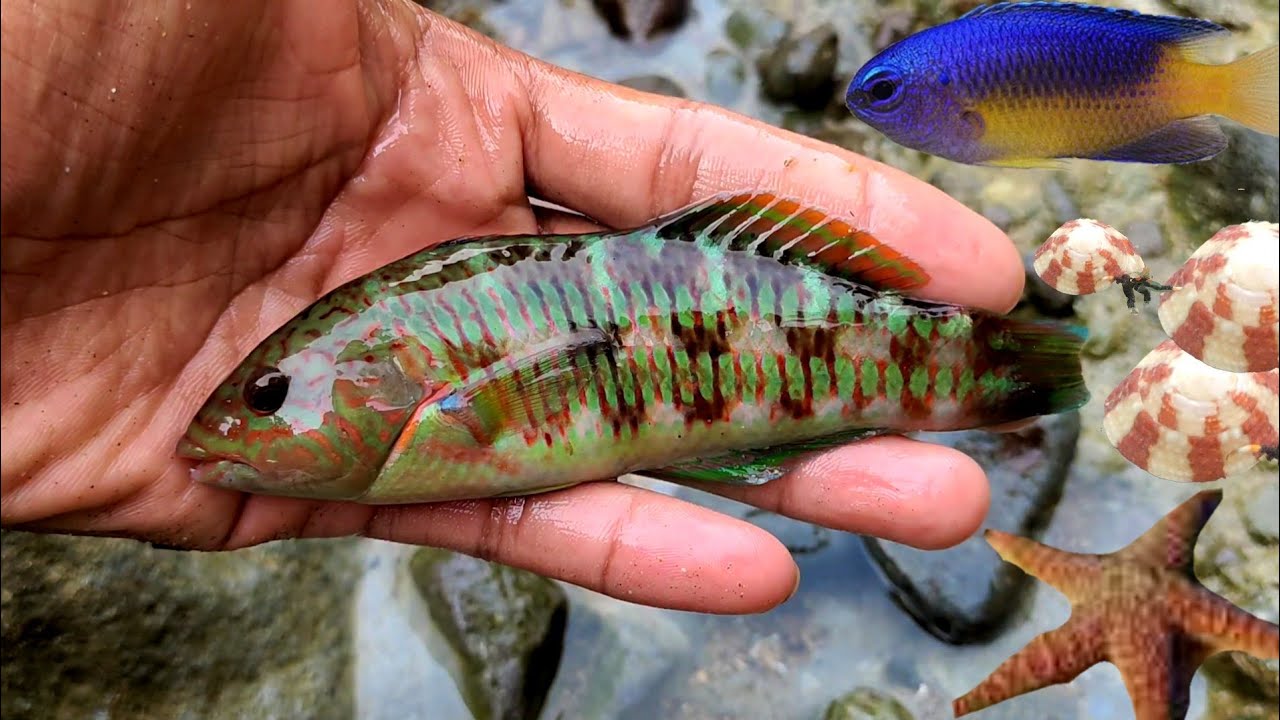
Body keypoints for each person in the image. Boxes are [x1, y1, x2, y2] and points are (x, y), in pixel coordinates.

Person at [0, 1, 1025, 614]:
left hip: (760, 331)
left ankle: (1013, 366)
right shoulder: (406, 388)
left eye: (270, 394)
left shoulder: (424, 382)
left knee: (985, 364)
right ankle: (1013, 368)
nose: (240, 420)